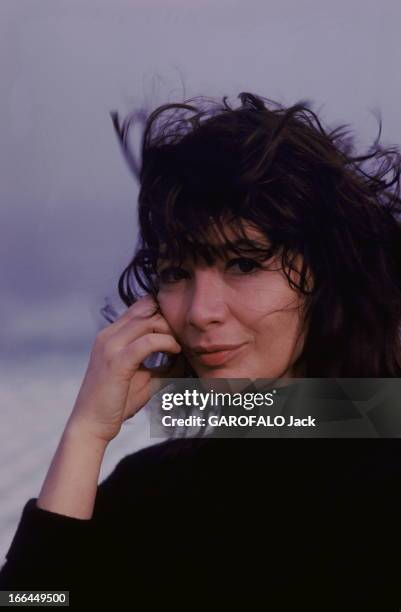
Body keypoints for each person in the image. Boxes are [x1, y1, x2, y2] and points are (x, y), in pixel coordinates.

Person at [1, 91, 401, 609]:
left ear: (330, 274)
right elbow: (33, 603)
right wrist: (85, 435)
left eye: (243, 264)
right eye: (177, 273)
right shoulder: (150, 488)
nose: (199, 311)